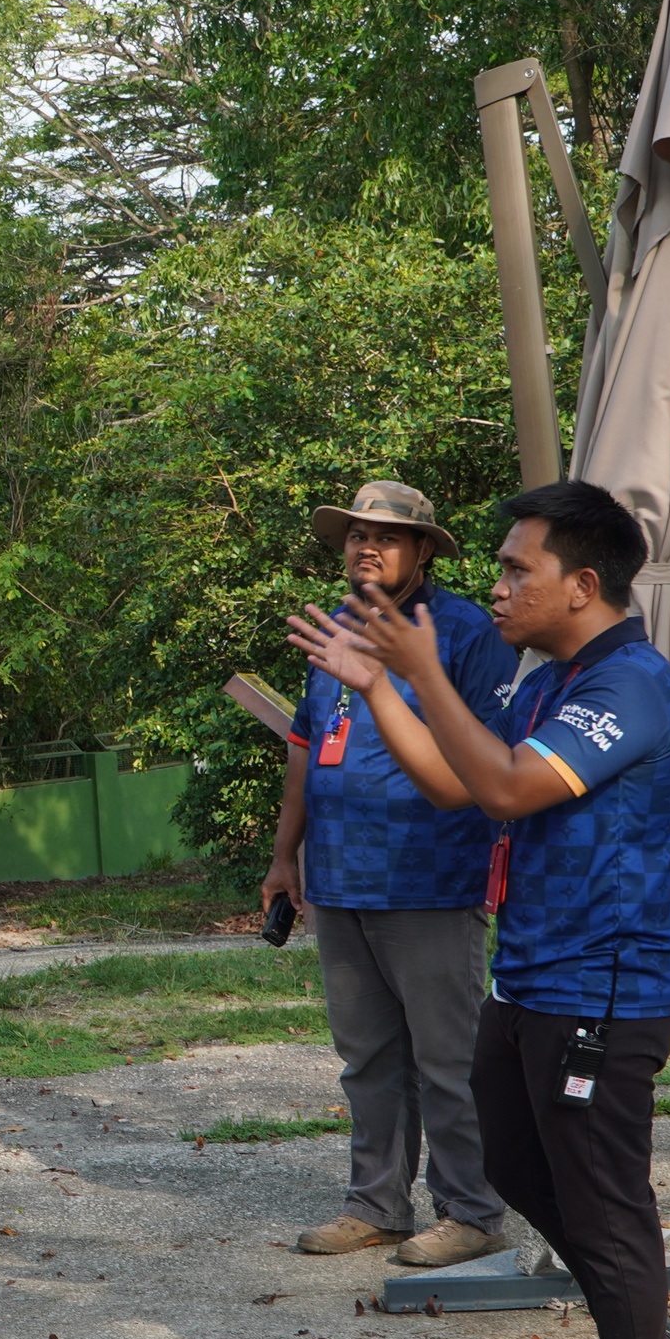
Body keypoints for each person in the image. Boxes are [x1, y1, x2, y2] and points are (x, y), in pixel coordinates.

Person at [290, 480, 670, 1339]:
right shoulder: (546, 682)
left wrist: (421, 671)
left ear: (583, 584)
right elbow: (453, 782)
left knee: (603, 1202)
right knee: (515, 1163)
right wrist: (382, 687)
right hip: (530, 980)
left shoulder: (630, 684)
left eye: (521, 569)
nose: (502, 584)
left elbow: (510, 790)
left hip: (602, 987)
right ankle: (644, 1334)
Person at [268, 481, 514, 1266]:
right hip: (340, 877)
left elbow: (492, 752)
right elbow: (307, 746)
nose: (366, 547)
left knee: (447, 1057)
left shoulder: (468, 633)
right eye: (355, 535)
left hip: (431, 878)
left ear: (421, 552)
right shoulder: (335, 629)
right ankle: (377, 1203)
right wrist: (285, 855)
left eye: (386, 536)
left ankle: (471, 1209)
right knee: (367, 1057)